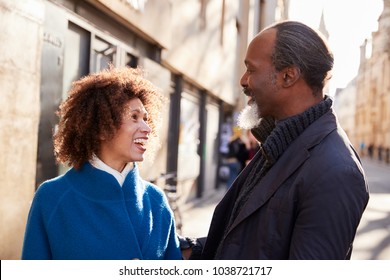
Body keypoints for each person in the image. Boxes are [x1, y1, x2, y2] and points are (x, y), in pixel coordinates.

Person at [183, 20, 369, 260]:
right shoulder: (280, 141)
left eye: (251, 69)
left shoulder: (336, 171)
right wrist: (190, 250)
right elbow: (250, 240)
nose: (243, 80)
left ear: (288, 76)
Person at [22, 66, 182, 260]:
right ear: (102, 128)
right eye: (134, 117)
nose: (147, 128)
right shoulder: (52, 198)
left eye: (146, 119)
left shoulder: (156, 201)